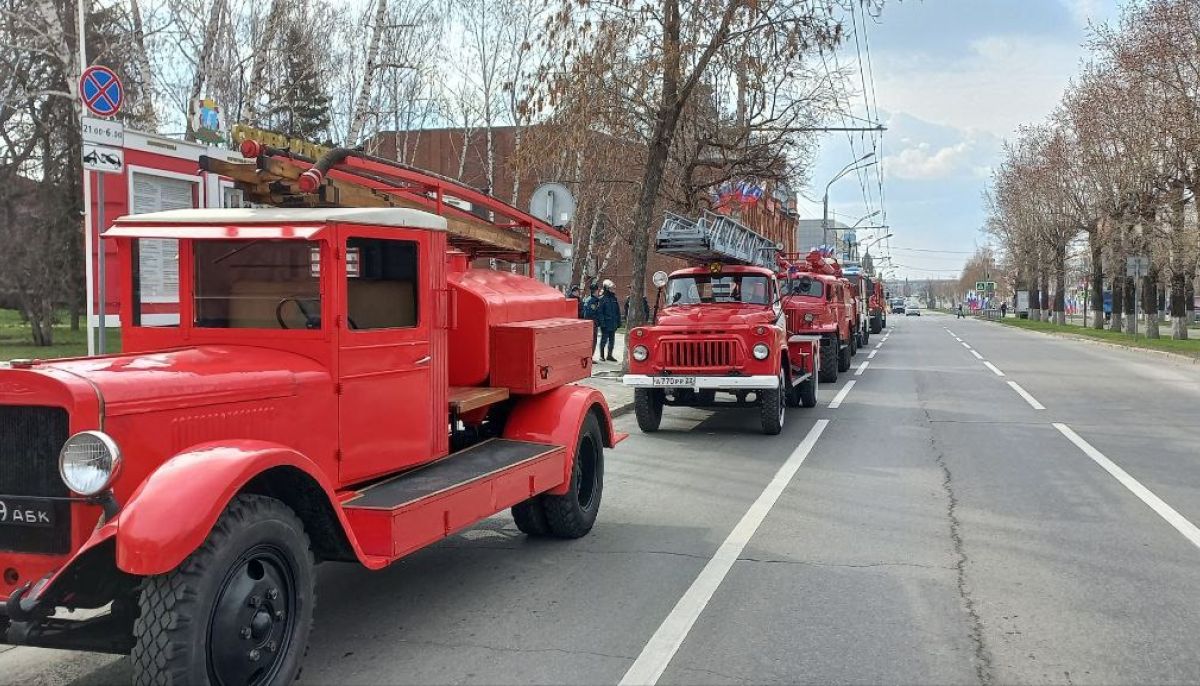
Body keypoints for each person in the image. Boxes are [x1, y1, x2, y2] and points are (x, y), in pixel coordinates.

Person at [595, 279, 622, 362]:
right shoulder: (602, 299)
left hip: (613, 323)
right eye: (611, 289)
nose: (612, 290)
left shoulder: (614, 298)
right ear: (607, 289)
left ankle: (609, 355)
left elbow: (618, 311)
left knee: (612, 340)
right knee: (604, 339)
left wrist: (619, 321)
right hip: (606, 324)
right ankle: (602, 356)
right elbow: (600, 312)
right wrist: (602, 323)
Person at [584, 285, 602, 359]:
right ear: (595, 291)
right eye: (598, 291)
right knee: (593, 341)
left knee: (590, 341)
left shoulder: (588, 299)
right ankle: (590, 357)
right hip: (592, 324)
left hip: (589, 323)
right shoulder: (593, 301)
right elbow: (591, 313)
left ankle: (589, 356)